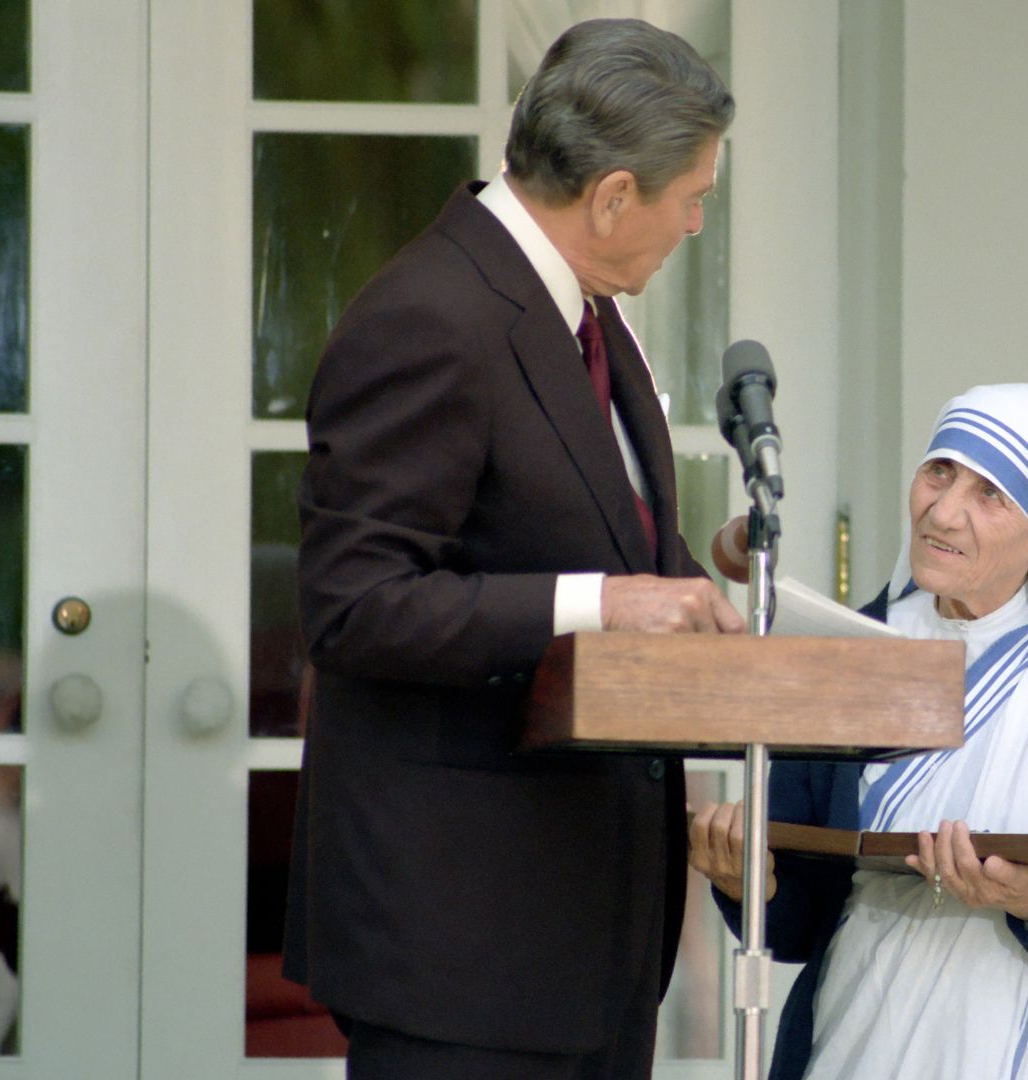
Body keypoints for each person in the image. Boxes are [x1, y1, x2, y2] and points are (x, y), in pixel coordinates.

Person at [282, 18, 743, 1079]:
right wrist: (606, 604)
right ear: (616, 194)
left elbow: (575, 516)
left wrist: (691, 571)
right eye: (695, 197)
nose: (697, 224)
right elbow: (356, 605)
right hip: (461, 951)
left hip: (587, 942)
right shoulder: (430, 317)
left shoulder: (587, 311)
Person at [691, 384, 1028, 1080]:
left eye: (990, 494)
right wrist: (746, 883)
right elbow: (800, 923)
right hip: (858, 1041)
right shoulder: (854, 647)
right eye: (940, 471)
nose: (942, 511)